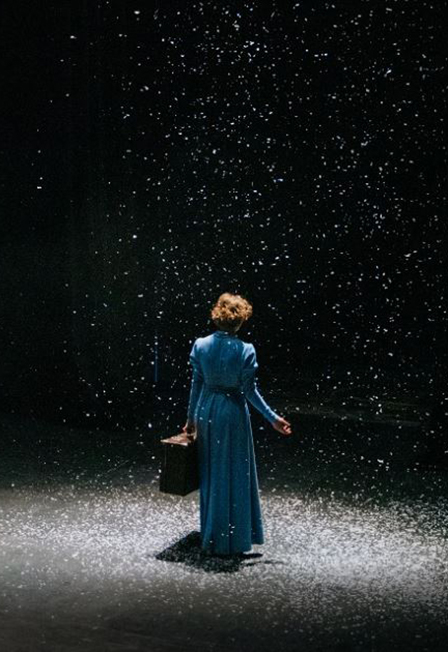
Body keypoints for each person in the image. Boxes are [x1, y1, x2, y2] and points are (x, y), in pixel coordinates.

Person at [182, 292, 292, 558]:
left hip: (207, 411)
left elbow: (197, 385)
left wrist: (191, 419)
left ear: (216, 316)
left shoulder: (201, 345)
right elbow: (249, 391)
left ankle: (213, 536)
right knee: (234, 473)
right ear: (240, 321)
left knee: (211, 473)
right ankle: (232, 538)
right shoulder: (245, 350)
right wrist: (273, 418)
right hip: (232, 413)